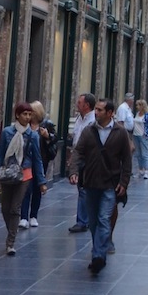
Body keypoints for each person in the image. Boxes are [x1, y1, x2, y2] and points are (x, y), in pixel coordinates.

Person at [77, 98, 132, 274]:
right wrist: (73, 172)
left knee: (103, 218)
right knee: (93, 222)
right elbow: (78, 151)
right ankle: (99, 249)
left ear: (110, 113)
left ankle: (98, 255)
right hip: (91, 183)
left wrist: (124, 182)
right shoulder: (89, 130)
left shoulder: (120, 132)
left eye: (100, 110)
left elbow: (127, 160)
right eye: (96, 110)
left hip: (110, 184)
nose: (96, 112)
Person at [0, 102, 45, 257]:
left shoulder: (33, 135)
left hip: (24, 174)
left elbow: (37, 159)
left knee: (15, 208)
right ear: (17, 115)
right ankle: (12, 230)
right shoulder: (7, 132)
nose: (27, 117)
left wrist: (41, 182)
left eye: (30, 114)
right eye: (25, 114)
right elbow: (0, 154)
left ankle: (10, 243)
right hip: (7, 173)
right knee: (5, 208)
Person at [19, 101, 56, 229]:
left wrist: (47, 136)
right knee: (25, 189)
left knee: (37, 188)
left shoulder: (46, 125)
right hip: (26, 162)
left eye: (32, 112)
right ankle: (23, 217)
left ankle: (33, 216)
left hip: (41, 161)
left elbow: (54, 140)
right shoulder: (25, 126)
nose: (29, 115)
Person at [67, 92, 96, 231]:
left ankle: (83, 221)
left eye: (79, 103)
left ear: (86, 105)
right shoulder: (79, 118)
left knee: (85, 190)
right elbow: (75, 139)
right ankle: (87, 218)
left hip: (89, 159)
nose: (77, 104)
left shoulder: (94, 120)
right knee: (82, 189)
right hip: (79, 157)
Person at [133, 98, 148, 178]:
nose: (137, 106)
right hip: (136, 135)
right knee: (138, 154)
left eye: (138, 105)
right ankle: (140, 170)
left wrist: (146, 133)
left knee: (144, 154)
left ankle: (146, 171)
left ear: (142, 106)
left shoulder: (147, 115)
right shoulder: (137, 114)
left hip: (143, 136)